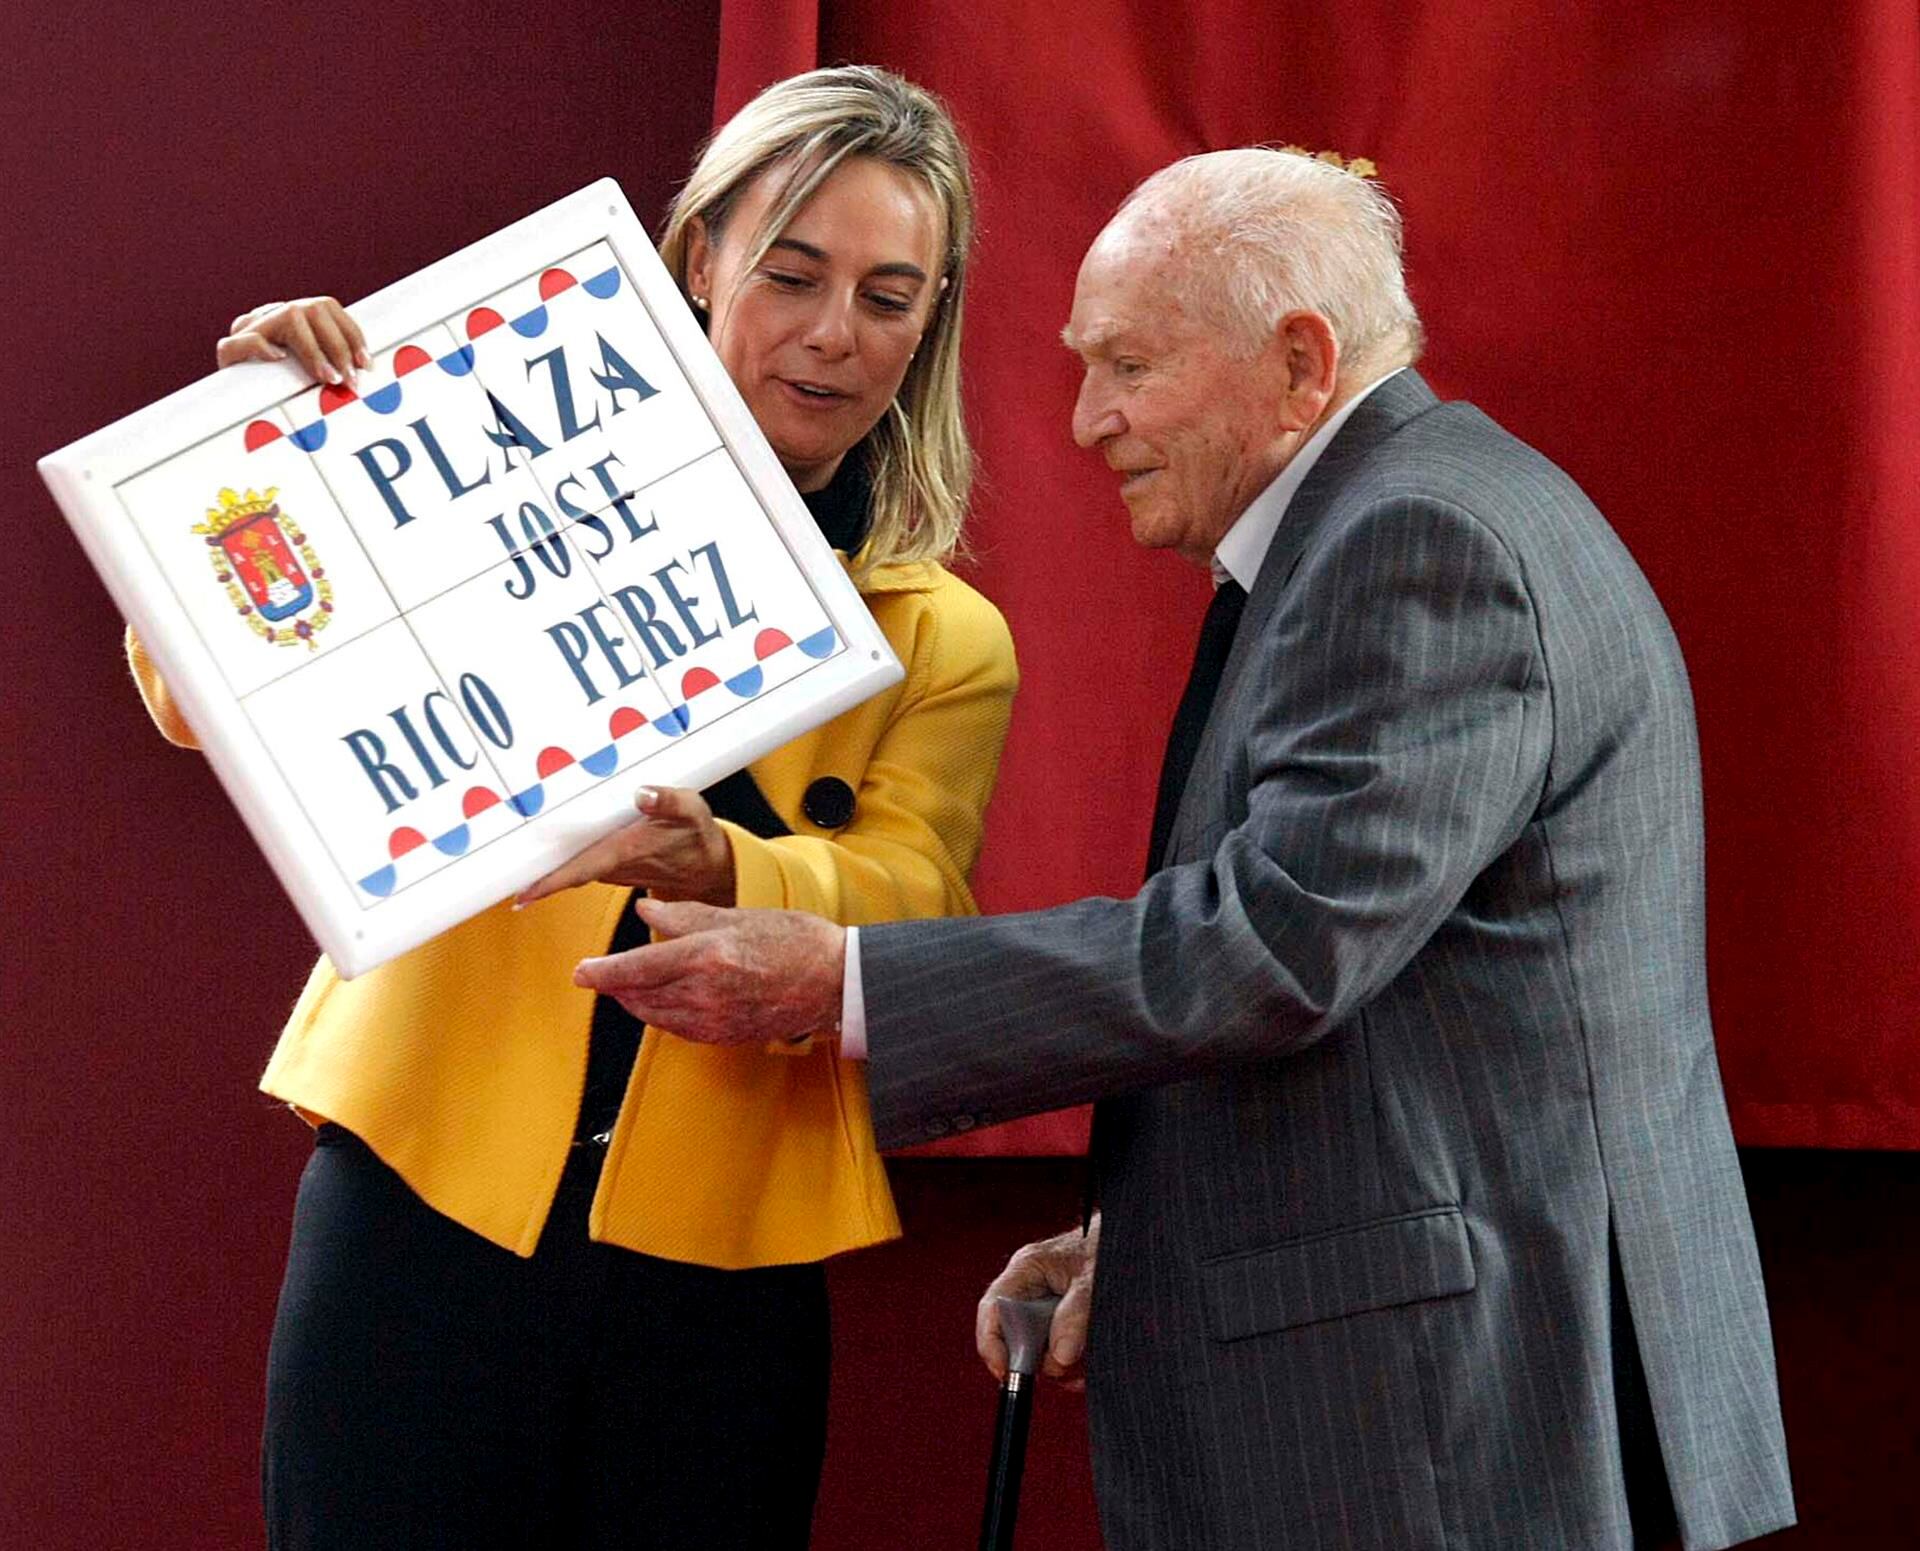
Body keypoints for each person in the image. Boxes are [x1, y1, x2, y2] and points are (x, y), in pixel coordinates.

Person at [575, 148, 1797, 1550]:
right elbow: (1417, 1010)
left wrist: (837, 983)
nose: (1089, 421)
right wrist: (1138, 1248)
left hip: (1442, 1422)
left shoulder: (1418, 540)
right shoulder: (1419, 509)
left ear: (1298, 361)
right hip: (1439, 1378)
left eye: (1130, 369)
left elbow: (1271, 945)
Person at [127, 65, 1015, 1549]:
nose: (833, 333)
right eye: (792, 274)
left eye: (888, 295)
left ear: (931, 325)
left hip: (725, 1261)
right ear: (699, 262)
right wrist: (262, 449)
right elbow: (194, 697)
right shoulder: (463, 480)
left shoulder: (941, 635)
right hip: (424, 1193)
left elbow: (920, 901)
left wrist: (732, 861)